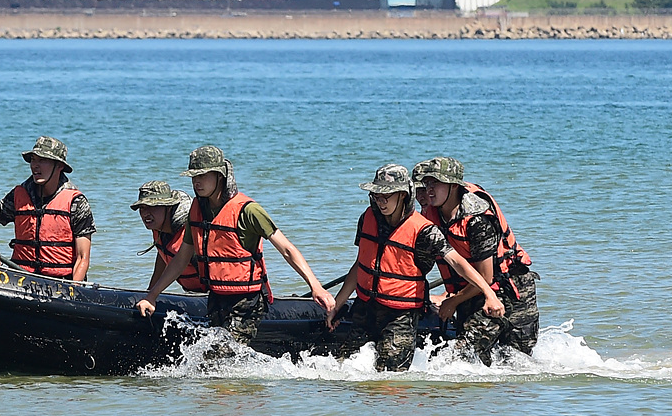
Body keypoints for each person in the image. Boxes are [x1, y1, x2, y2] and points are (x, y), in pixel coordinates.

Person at [136, 145, 335, 343]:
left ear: (220, 176)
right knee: (211, 359)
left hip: (247, 301)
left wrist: (315, 287)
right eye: (193, 177)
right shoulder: (197, 211)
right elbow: (180, 261)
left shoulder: (248, 211)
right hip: (216, 299)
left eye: (203, 176)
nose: (196, 182)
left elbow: (287, 249)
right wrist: (152, 296)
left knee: (218, 358)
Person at [326, 164, 504, 372]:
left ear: (402, 195)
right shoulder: (367, 218)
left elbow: (457, 262)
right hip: (365, 309)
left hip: (400, 317)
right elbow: (360, 266)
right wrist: (336, 305)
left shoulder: (425, 231)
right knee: (342, 369)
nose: (380, 202)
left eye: (386, 196)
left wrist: (489, 294)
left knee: (389, 381)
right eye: (376, 196)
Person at [417, 156, 539, 365]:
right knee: (480, 360)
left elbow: (487, 276)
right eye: (426, 183)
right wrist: (444, 296)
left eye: (436, 183)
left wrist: (452, 301)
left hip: (508, 294)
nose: (428, 190)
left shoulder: (477, 219)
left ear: (454, 186)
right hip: (473, 292)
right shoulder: (431, 214)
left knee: (514, 363)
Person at [0, 136, 96, 281]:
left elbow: (83, 258)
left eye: (42, 160)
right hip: (21, 278)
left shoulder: (76, 202)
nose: (35, 165)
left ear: (59, 166)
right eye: (33, 160)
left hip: (61, 281)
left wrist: (73, 289)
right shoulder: (18, 195)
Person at [130, 180, 201, 292]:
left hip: (208, 295)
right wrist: (150, 291)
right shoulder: (159, 229)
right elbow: (164, 254)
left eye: (152, 206)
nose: (145, 213)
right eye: (142, 208)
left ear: (168, 208)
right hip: (190, 292)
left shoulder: (189, 236)